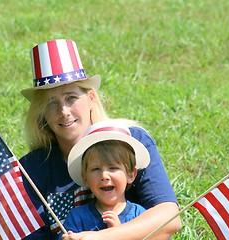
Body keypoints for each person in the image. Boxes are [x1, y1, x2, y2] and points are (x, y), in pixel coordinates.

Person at [19, 39, 181, 240]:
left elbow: (169, 218)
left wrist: (100, 238)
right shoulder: (30, 168)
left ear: (91, 98)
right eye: (51, 103)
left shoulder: (131, 140)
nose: (64, 112)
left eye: (71, 97)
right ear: (42, 113)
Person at [57, 121, 150, 239]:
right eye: (95, 169)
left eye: (113, 168)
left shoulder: (140, 216)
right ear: (85, 178)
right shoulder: (77, 218)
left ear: (131, 175)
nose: (104, 175)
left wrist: (118, 234)